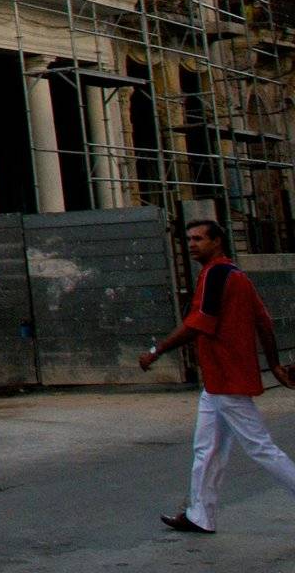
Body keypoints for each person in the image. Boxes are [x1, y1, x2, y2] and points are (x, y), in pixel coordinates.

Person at [138, 219, 295, 534]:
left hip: (225, 377)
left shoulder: (215, 275)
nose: (192, 244)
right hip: (221, 379)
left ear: (217, 242)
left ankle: (200, 514)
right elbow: (263, 321)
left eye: (199, 239)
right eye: (190, 239)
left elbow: (198, 324)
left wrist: (157, 351)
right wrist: (275, 364)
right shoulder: (236, 275)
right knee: (207, 448)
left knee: (259, 447)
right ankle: (200, 515)